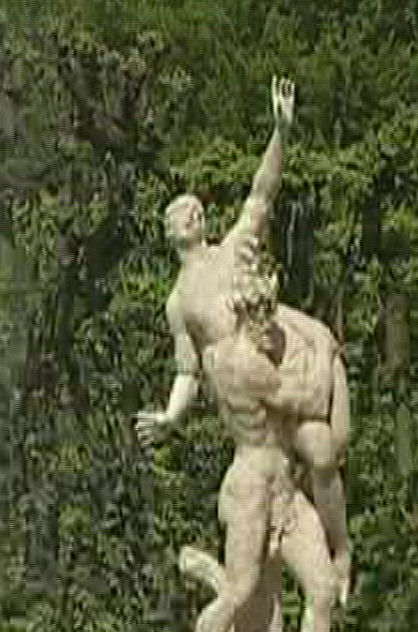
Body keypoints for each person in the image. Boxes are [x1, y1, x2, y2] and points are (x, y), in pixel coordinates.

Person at [135, 77, 352, 603]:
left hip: (284, 365)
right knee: (295, 474)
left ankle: (342, 549)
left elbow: (261, 192)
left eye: (193, 209)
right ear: (169, 233)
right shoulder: (178, 303)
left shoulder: (233, 250)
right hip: (250, 407)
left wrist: (281, 131)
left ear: (202, 221)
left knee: (324, 454)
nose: (189, 214)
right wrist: (171, 417)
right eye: (178, 213)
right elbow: (187, 370)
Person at [167, 259, 345, 632]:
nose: (271, 322)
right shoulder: (250, 367)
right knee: (238, 591)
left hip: (282, 488)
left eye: (271, 311)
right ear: (244, 315)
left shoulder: (216, 355)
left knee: (322, 588)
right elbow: (311, 400)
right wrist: (324, 348)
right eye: (262, 313)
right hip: (251, 488)